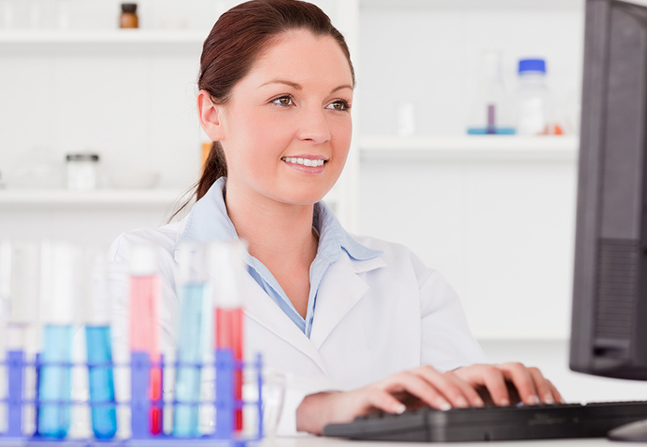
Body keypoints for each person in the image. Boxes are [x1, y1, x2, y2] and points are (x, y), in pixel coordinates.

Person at [108, 0, 562, 436]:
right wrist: (320, 408)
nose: (319, 131)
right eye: (284, 99)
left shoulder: (405, 276)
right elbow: (147, 399)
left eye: (337, 104)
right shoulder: (147, 262)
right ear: (212, 115)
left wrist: (488, 397)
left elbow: (457, 407)